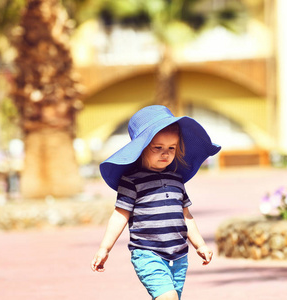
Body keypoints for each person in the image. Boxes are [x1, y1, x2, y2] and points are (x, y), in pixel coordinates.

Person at [91, 105, 221, 300]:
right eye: (158, 148)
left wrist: (200, 244)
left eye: (171, 148)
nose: (165, 153)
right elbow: (120, 215)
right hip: (147, 253)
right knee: (167, 297)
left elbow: (186, 216)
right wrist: (104, 248)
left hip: (179, 255)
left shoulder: (176, 179)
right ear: (142, 147)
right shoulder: (131, 181)